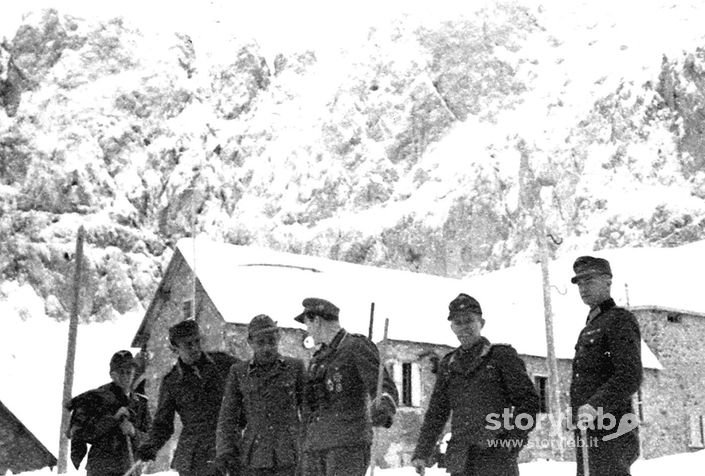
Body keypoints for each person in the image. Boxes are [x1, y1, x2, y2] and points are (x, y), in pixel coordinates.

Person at [411, 293, 539, 476]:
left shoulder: (501, 357)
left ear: (482, 323)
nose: (464, 328)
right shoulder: (448, 365)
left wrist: (512, 441)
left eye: (469, 321)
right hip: (460, 460)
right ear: (452, 327)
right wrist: (422, 452)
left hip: (497, 459)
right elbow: (436, 413)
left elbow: (529, 402)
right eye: (458, 323)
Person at [295, 297, 398, 476]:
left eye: (307, 324)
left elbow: (383, 384)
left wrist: (383, 406)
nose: (308, 331)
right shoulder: (318, 358)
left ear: (317, 321)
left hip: (346, 446)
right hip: (315, 447)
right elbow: (309, 409)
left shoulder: (355, 346)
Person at [135, 320, 239, 476]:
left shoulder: (225, 364)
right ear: (175, 348)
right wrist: (151, 446)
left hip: (229, 448)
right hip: (196, 458)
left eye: (197, 341)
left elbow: (251, 388)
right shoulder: (172, 382)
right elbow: (163, 424)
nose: (195, 348)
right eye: (188, 344)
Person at [569, 256, 642, 476]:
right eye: (580, 283)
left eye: (589, 281)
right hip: (589, 432)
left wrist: (595, 406)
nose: (583, 288)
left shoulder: (619, 320)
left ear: (608, 282)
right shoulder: (590, 327)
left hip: (613, 430)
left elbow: (630, 375)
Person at [215, 314, 306, 476]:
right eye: (261, 342)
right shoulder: (239, 373)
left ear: (278, 339)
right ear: (250, 342)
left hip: (290, 455)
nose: (267, 348)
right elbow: (228, 417)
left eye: (271, 341)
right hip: (254, 456)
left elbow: (309, 411)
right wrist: (225, 451)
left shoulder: (295, 368)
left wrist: (309, 447)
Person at [66, 350, 150, 476]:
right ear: (112, 374)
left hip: (130, 468)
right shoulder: (95, 399)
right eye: (121, 372)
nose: (126, 377)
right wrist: (113, 419)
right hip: (102, 469)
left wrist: (133, 432)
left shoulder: (140, 403)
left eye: (129, 372)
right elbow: (84, 434)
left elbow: (150, 439)